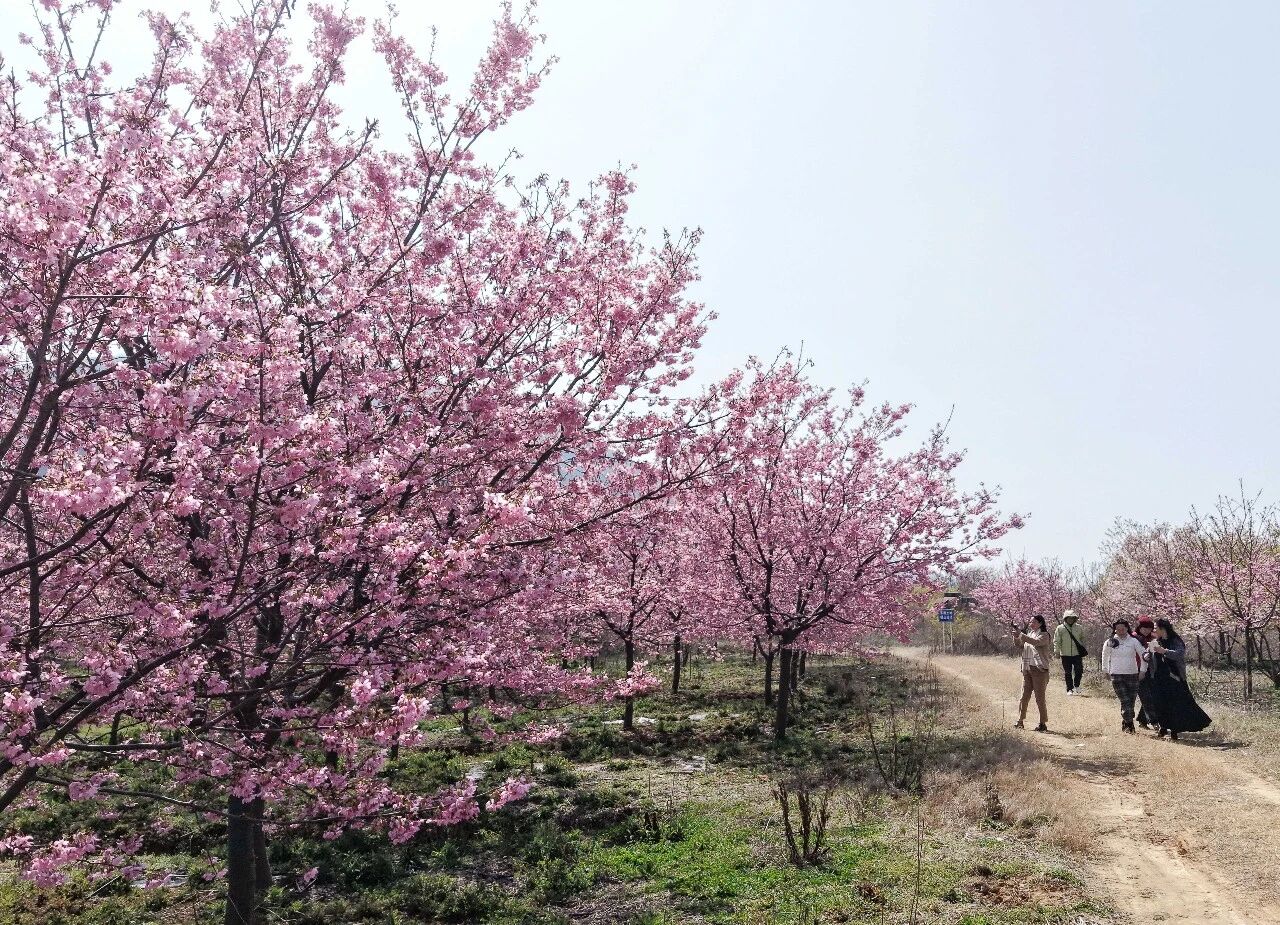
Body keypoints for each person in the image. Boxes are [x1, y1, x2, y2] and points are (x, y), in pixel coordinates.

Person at [1147, 618, 1211, 741]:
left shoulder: (1175, 640)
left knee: (1175, 704)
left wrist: (1164, 651)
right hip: (1159, 677)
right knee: (1160, 703)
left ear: (1163, 628)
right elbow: (1149, 655)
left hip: (1174, 677)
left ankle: (1174, 730)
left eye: (1156, 628)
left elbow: (1179, 654)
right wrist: (1147, 655)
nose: (1154, 630)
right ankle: (1163, 726)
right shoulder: (1156, 641)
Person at [1101, 619, 1145, 733]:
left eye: (1123, 629)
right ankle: (1130, 723)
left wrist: (1143, 670)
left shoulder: (1134, 641)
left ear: (1127, 628)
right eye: (1118, 629)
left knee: (1131, 701)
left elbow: (1143, 655)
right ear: (1115, 630)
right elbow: (1105, 656)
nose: (1121, 631)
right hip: (1116, 674)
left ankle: (1126, 722)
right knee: (1125, 700)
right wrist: (1105, 670)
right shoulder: (1110, 641)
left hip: (1132, 674)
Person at [1012, 614, 1051, 732]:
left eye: (1034, 622)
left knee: (1039, 698)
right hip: (1027, 669)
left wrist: (1021, 634)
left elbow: (1036, 642)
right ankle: (1020, 721)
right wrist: (1016, 637)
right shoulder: (1029, 634)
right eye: (1030, 622)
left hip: (1039, 670)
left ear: (1040, 623)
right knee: (1023, 697)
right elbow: (1020, 645)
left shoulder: (1044, 635)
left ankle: (1042, 723)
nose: (1031, 624)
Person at [1052, 609, 1088, 696]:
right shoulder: (1060, 628)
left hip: (1077, 653)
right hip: (1065, 654)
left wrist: (1083, 647)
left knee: (1079, 670)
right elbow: (1057, 641)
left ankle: (1077, 685)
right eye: (1069, 618)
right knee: (1067, 672)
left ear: (1075, 619)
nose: (1070, 620)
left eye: (1072, 618)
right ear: (1065, 618)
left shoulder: (1079, 627)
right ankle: (1069, 689)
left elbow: (1083, 638)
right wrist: (1056, 651)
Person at [1133, 616, 1157, 729]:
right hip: (1136, 669)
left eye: (1149, 628)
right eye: (1144, 628)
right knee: (1145, 695)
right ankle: (1154, 721)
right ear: (1139, 627)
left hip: (1149, 670)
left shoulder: (1152, 638)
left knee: (1150, 694)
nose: (1147, 630)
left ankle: (1143, 720)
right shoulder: (1133, 637)